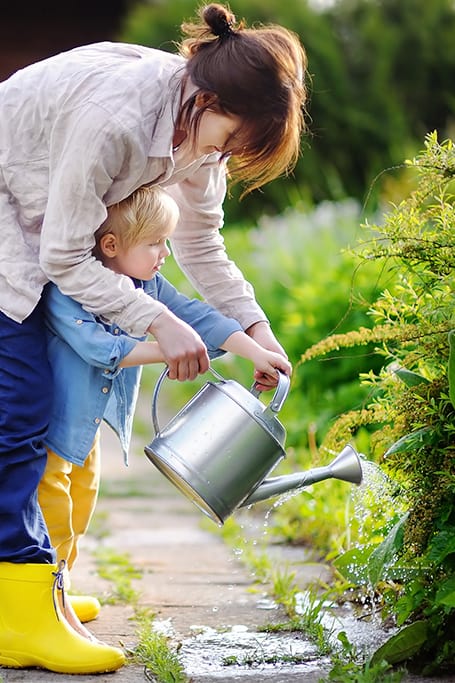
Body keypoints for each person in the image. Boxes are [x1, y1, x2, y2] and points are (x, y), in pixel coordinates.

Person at [0, 1, 308, 674]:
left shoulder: (201, 127)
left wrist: (252, 328)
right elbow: (62, 256)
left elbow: (201, 243)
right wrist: (158, 321)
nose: (223, 157)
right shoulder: (118, 118)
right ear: (207, 97)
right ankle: (17, 612)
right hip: (10, 219)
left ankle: (35, 586)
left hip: (48, 230)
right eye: (228, 139)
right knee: (22, 410)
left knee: (37, 421)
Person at [38, 184, 292, 628]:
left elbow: (195, 316)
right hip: (53, 422)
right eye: (155, 243)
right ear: (111, 245)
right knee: (53, 510)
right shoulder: (67, 289)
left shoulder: (147, 284)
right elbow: (99, 347)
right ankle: (45, 604)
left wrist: (254, 350)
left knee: (81, 504)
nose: (165, 254)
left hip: (88, 425)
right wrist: (169, 349)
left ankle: (60, 587)